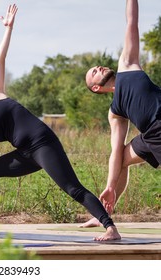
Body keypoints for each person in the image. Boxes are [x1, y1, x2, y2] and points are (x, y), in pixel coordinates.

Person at [0, 4, 120, 241]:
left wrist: (8, 28)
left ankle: (110, 228)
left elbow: (0, 58)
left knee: (72, 188)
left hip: (44, 144)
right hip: (26, 153)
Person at [83, 0, 160, 228]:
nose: (99, 68)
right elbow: (116, 152)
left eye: (98, 67)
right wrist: (109, 185)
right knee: (122, 159)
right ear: (96, 87)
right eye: (94, 72)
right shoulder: (115, 113)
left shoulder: (128, 64)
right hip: (151, 136)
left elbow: (131, 22)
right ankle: (103, 214)